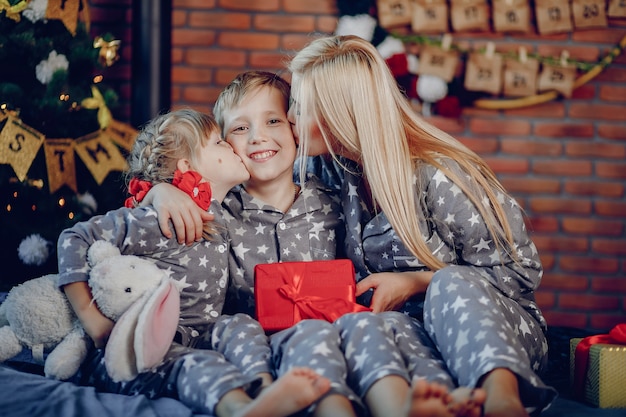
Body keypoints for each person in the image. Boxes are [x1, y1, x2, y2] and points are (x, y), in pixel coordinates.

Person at [144, 72, 486, 417]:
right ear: (224, 145)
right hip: (254, 352)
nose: (258, 137)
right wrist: (162, 191)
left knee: (371, 334)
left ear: (295, 128)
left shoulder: (334, 202)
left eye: (273, 120)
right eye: (240, 129)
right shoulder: (215, 210)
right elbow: (147, 202)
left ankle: (412, 402)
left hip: (329, 344)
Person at [286, 35, 558, 417]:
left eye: (300, 106)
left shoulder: (440, 172)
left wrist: (418, 281)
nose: (290, 118)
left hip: (498, 333)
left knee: (450, 283)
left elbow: (521, 273)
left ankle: (502, 397)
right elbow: (236, 171)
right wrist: (171, 193)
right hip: (414, 333)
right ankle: (442, 404)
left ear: (338, 114)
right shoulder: (325, 168)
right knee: (368, 329)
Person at [57, 108, 331, 417]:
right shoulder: (161, 218)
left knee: (240, 324)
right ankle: (240, 409)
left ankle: (265, 388)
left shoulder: (223, 210)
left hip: (200, 334)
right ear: (187, 166)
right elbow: (73, 238)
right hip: (139, 346)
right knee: (197, 366)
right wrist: (92, 319)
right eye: (218, 142)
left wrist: (160, 190)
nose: (230, 144)